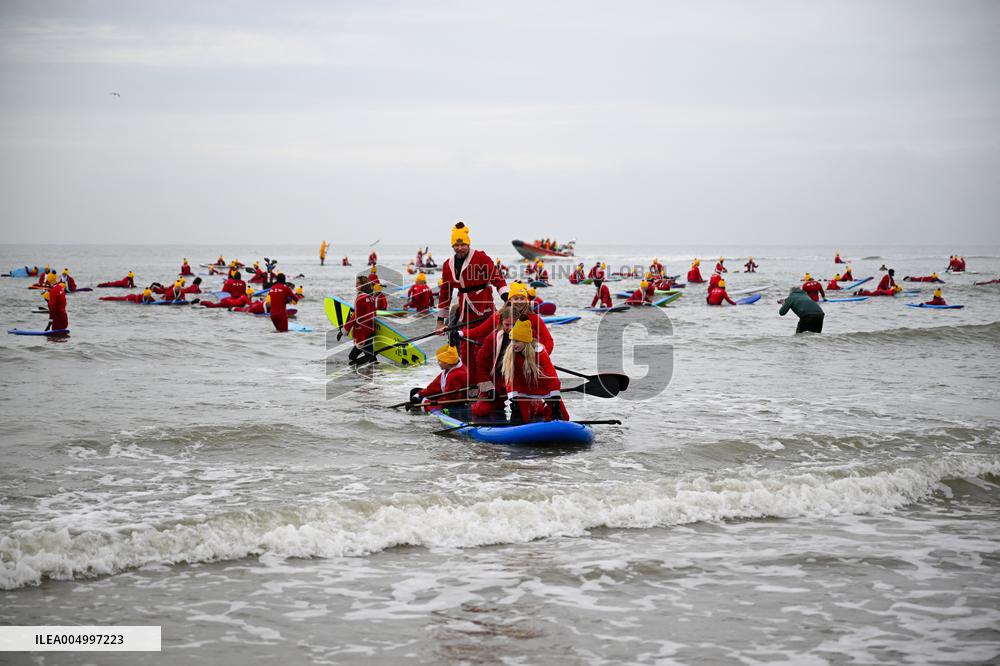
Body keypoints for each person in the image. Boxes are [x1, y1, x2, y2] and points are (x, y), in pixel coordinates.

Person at [436, 221, 508, 379]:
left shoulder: (481, 257)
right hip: (464, 314)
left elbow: (498, 280)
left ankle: (488, 386)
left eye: (462, 244)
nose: (459, 248)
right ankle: (471, 386)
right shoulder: (448, 265)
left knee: (484, 352)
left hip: (485, 312)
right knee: (466, 351)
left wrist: (507, 300)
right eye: (456, 245)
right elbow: (445, 294)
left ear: (468, 244)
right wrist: (441, 322)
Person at [502, 317, 569, 423]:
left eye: (517, 341)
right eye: (512, 340)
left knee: (565, 418)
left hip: (544, 387)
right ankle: (535, 409)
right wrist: (513, 400)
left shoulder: (540, 353)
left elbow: (553, 378)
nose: (513, 344)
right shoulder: (511, 354)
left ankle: (547, 411)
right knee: (520, 420)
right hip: (523, 388)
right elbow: (510, 380)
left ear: (526, 341)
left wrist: (555, 400)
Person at [410, 344, 469, 416]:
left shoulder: (455, 375)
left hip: (454, 403)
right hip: (447, 397)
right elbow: (433, 386)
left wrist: (424, 402)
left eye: (439, 361)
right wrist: (418, 395)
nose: (438, 362)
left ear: (447, 362)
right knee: (414, 392)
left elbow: (449, 400)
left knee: (420, 401)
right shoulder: (450, 367)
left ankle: (419, 414)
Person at [344, 275, 376, 362]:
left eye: (358, 283)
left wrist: (344, 330)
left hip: (364, 333)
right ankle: (375, 372)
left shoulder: (361, 298)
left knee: (354, 357)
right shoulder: (371, 297)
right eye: (356, 283)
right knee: (369, 356)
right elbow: (374, 314)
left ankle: (372, 372)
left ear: (364, 285)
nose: (356, 286)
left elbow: (355, 317)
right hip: (370, 330)